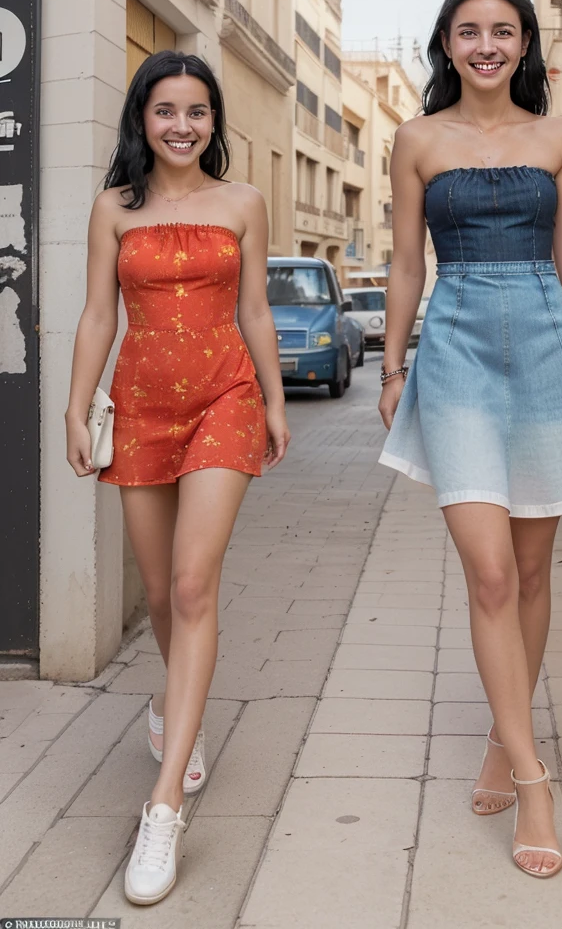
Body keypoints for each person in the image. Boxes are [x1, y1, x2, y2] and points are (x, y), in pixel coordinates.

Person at [378, 0, 562, 879]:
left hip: (545, 355)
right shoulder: (415, 139)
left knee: (534, 570)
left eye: (503, 30)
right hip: (456, 359)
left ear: (526, 43)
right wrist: (390, 365)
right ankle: (535, 779)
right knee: (491, 574)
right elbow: (407, 266)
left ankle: (504, 740)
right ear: (447, 43)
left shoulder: (558, 135)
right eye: (469, 30)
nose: (486, 45)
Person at [65, 50, 290, 905]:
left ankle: (163, 808)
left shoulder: (243, 203)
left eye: (198, 111)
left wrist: (272, 401)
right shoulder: (113, 210)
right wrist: (76, 409)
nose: (184, 125)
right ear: (143, 119)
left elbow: (255, 309)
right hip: (141, 405)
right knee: (160, 594)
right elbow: (96, 314)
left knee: (195, 584)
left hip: (224, 397)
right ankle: (175, 714)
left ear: (213, 121)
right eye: (167, 111)